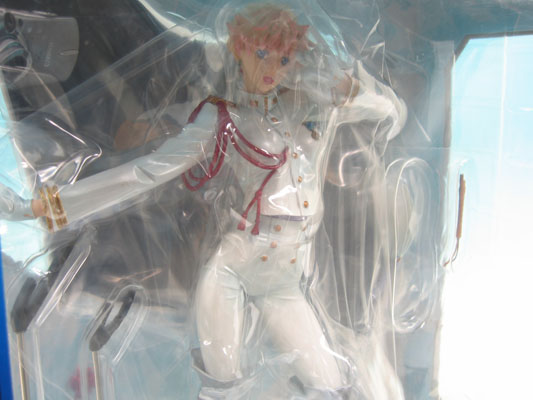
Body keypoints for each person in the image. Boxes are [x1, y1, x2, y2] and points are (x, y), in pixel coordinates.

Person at [0, 2, 406, 398]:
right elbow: (146, 172)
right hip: (235, 266)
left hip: (287, 275)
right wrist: (44, 206)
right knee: (223, 388)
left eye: (283, 59)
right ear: (240, 48)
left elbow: (392, 112)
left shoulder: (312, 104)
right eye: (261, 54)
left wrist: (353, 89)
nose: (271, 68)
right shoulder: (223, 118)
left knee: (329, 384)